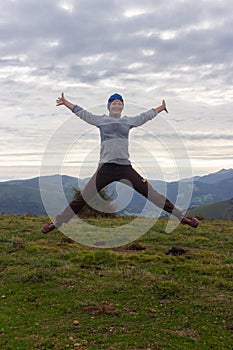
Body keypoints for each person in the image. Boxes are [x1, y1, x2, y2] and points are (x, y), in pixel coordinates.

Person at [41, 93, 199, 234]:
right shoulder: (101, 120)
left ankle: (182, 217)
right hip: (106, 168)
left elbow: (145, 116)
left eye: (119, 103)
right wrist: (66, 102)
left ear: (122, 107)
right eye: (114, 103)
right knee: (83, 198)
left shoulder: (128, 121)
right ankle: (57, 223)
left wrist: (160, 108)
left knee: (152, 194)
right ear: (109, 106)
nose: (116, 105)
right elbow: (83, 114)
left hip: (125, 169)